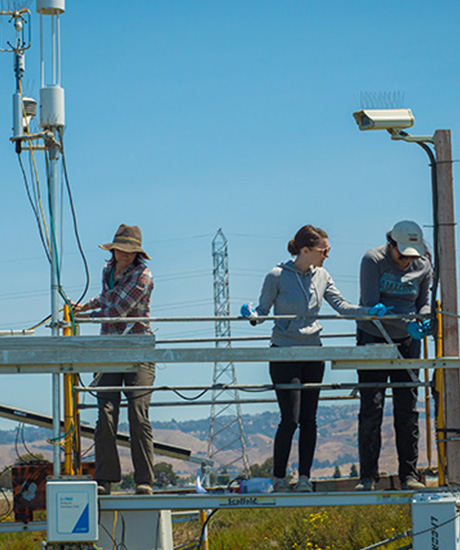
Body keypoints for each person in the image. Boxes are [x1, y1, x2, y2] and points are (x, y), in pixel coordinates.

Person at [241, 224, 387, 493]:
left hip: (313, 353)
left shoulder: (323, 275)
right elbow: (261, 311)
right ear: (306, 250)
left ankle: (305, 478)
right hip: (284, 352)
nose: (327, 255)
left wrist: (369, 312)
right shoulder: (276, 276)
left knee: (310, 418)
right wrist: (250, 313)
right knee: (290, 418)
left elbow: (342, 307)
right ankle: (279, 478)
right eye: (324, 250)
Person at [73, 224, 155, 495]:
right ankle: (105, 479)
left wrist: (86, 316)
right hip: (109, 349)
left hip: (137, 348)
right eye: (122, 250)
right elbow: (108, 298)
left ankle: (144, 480)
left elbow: (119, 309)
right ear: (115, 249)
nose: (125, 255)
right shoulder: (108, 271)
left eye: (131, 252)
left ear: (137, 254)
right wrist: (86, 306)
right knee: (105, 415)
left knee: (138, 414)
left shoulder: (143, 275)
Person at [355, 220, 432, 491]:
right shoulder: (373, 260)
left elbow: (423, 301)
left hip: (408, 342)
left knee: (407, 409)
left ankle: (409, 475)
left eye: (412, 254)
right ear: (391, 245)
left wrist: (423, 321)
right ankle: (368, 477)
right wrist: (404, 322)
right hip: (373, 336)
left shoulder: (424, 264)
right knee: (372, 407)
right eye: (402, 254)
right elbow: (370, 306)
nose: (406, 260)